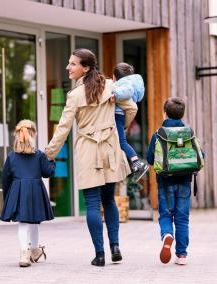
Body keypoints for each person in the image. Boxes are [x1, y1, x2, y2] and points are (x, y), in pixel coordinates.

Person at [45, 49, 137, 266]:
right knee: (109, 200)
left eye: (72, 64)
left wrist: (49, 153)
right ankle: (115, 246)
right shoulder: (110, 86)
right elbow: (131, 107)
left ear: (85, 67)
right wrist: (119, 130)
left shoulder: (75, 95)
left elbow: (63, 128)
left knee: (93, 204)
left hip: (88, 149)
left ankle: (100, 254)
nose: (68, 67)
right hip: (110, 148)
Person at [146, 97, 197, 265]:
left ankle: (167, 235)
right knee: (182, 218)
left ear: (165, 114)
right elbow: (200, 156)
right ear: (182, 114)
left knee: (166, 214)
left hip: (165, 183)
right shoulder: (189, 133)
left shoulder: (158, 134)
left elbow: (150, 159)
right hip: (184, 182)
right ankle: (181, 255)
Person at [0, 119, 55, 268]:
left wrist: (8, 196)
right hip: (36, 190)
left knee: (23, 223)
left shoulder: (11, 156)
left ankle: (26, 252)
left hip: (19, 192)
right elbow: (48, 173)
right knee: (34, 221)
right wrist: (51, 160)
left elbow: (5, 178)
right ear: (34, 135)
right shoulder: (39, 155)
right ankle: (34, 250)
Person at [112, 62, 149, 182]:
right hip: (123, 115)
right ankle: (134, 164)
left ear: (115, 77)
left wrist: (114, 93)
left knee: (121, 142)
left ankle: (137, 163)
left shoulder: (125, 84)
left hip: (118, 114)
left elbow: (127, 90)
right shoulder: (130, 82)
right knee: (120, 142)